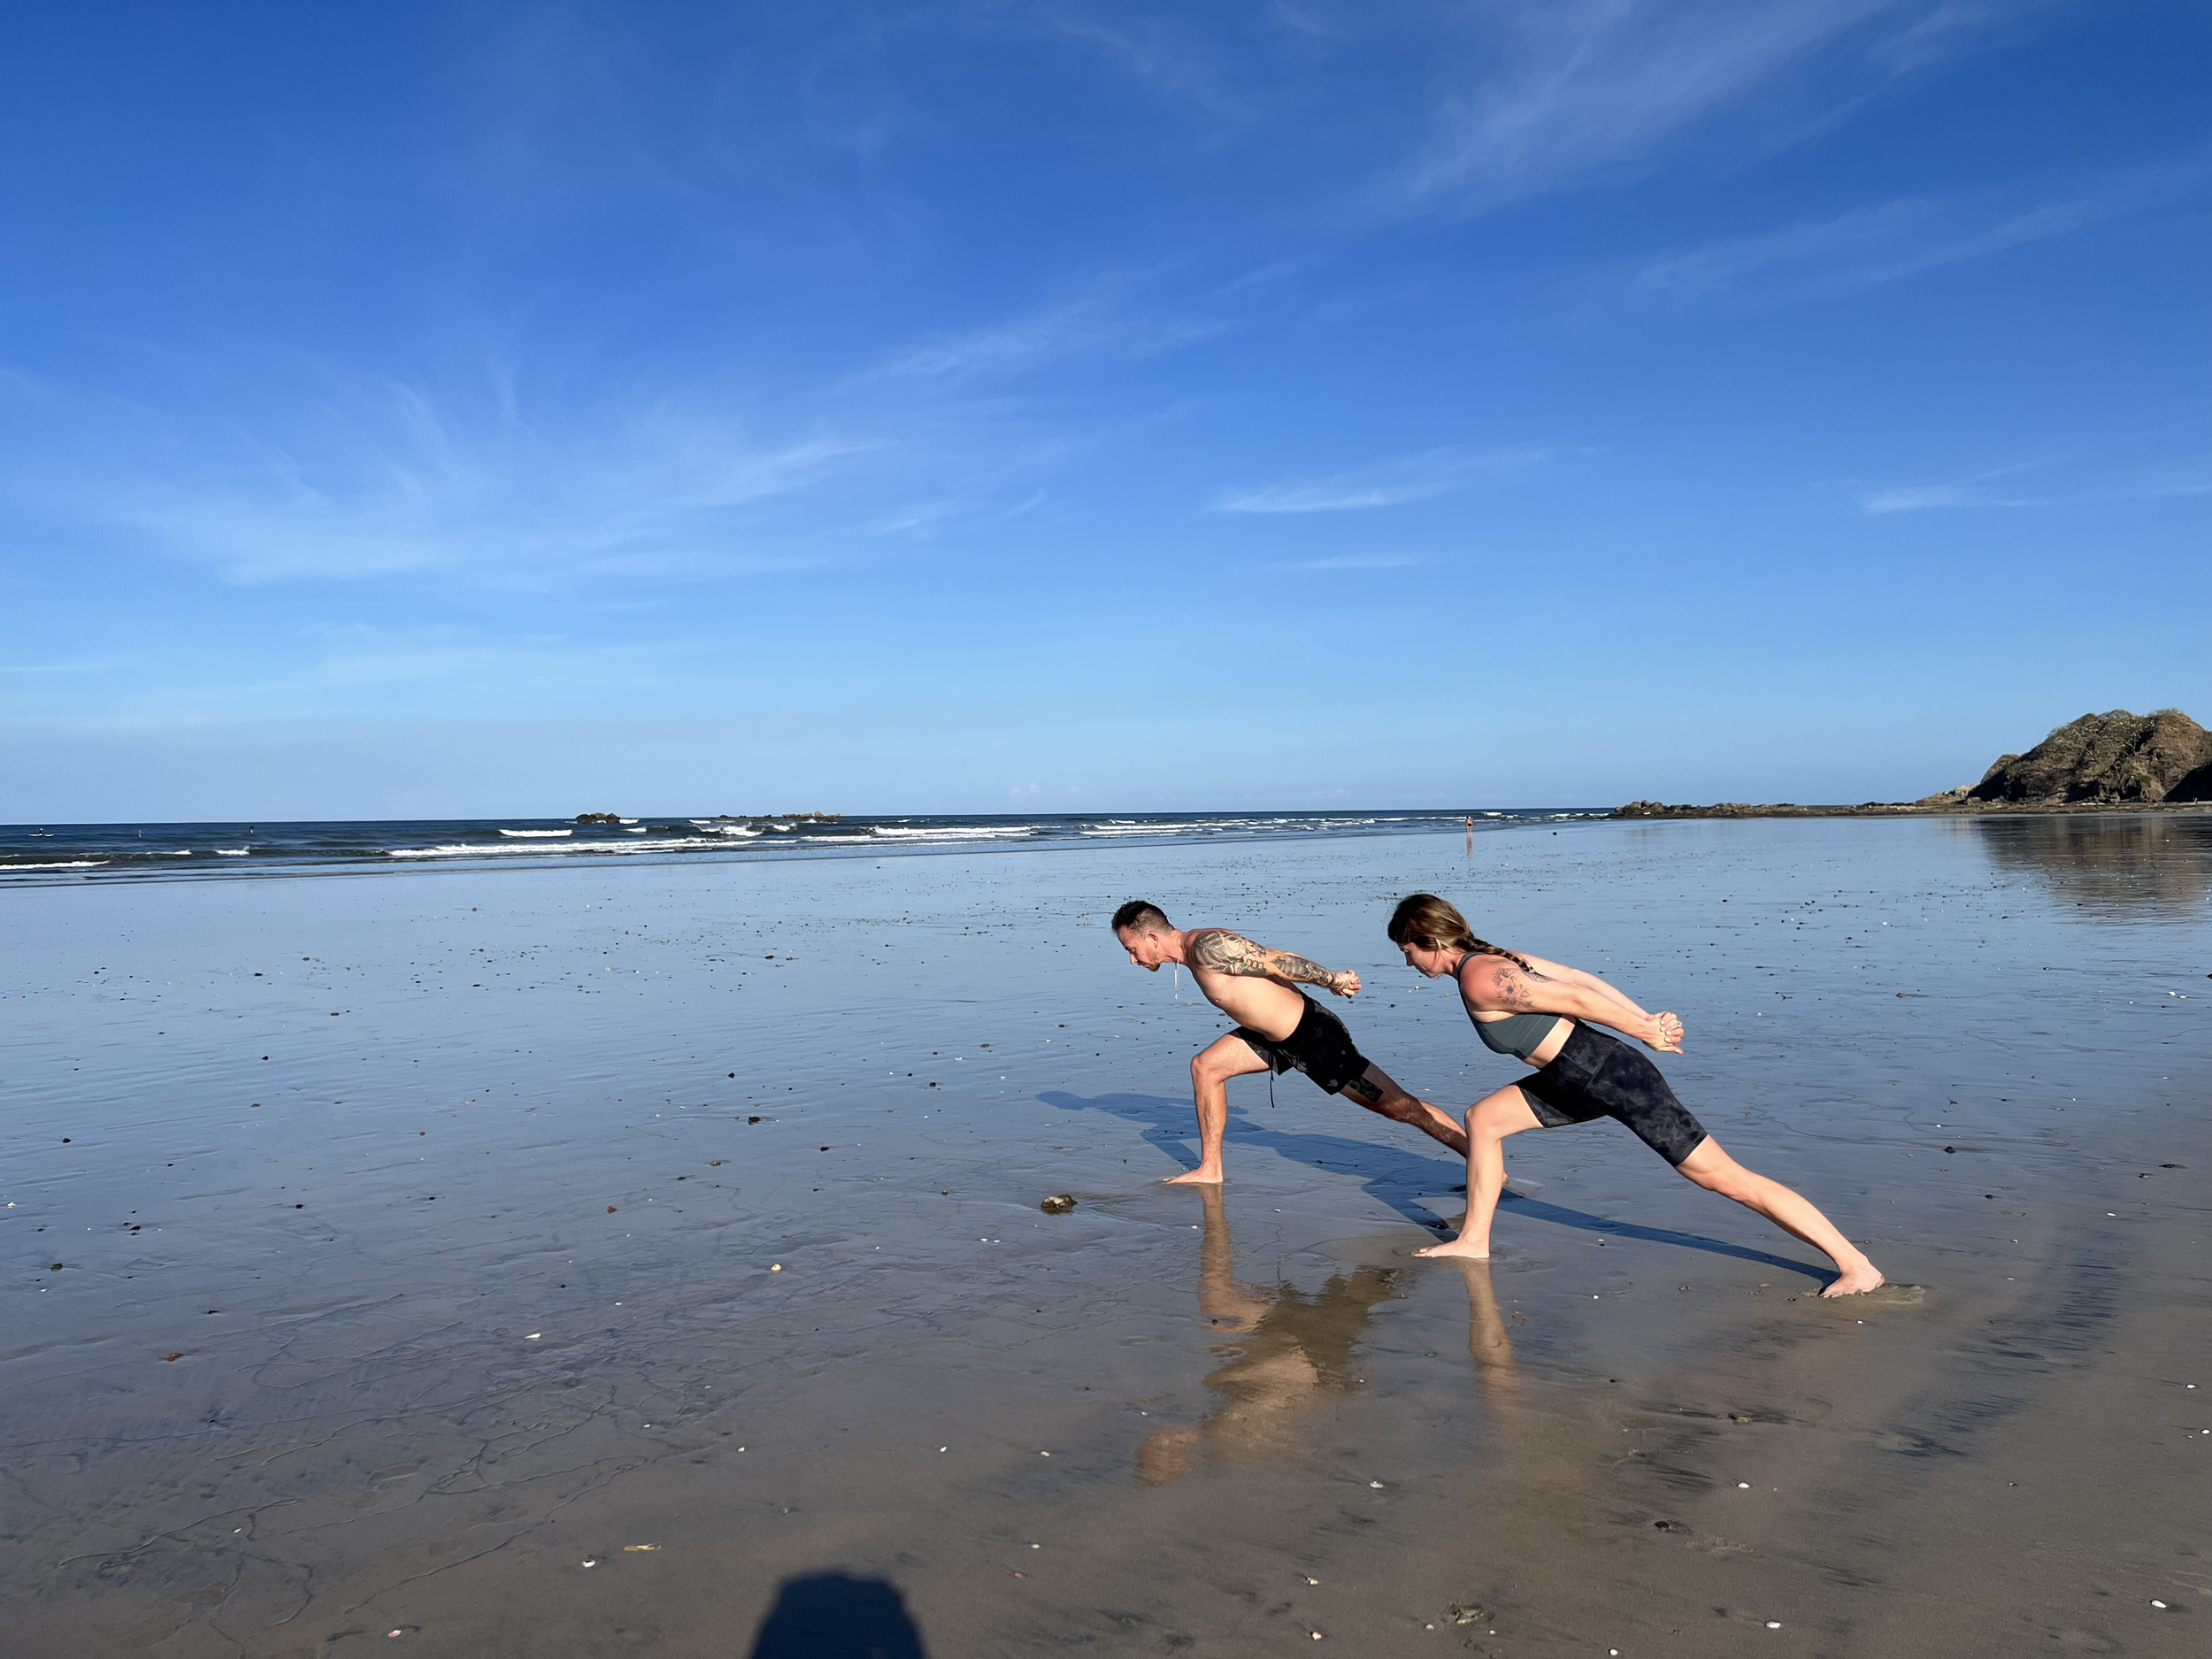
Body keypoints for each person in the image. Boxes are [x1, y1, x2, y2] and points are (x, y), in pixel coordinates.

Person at [1385, 892, 1885, 1298]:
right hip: (1571, 1077)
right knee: (1484, 1119)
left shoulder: (1481, 975)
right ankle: (1474, 1240)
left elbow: (1577, 995)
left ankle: (1856, 1266)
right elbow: (1578, 978)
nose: (1407, 962)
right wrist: (1645, 1021)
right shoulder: (1491, 961)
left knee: (1727, 1180)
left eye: (1407, 950)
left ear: (1430, 940)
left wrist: (1643, 1030)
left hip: (1610, 1076)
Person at [1111, 900, 1467, 1183]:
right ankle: (1210, 1169)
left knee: (1401, 1107)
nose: (1132, 959)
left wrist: (1333, 980)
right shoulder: (1193, 956)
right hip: (1270, 1038)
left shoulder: (1208, 947)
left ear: (1152, 938)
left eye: (1132, 948)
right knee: (1205, 1067)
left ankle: (1480, 1158)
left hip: (1313, 1037)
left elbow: (1276, 961)